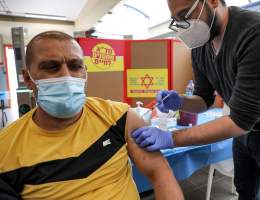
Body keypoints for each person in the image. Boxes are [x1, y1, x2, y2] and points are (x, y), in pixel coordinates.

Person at [133, 0, 260, 199]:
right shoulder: (201, 45)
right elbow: (204, 100)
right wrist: (181, 102)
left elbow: (241, 121)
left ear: (212, 1)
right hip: (245, 131)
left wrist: (172, 139)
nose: (184, 25)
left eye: (185, 14)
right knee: (245, 190)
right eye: (177, 20)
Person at [0, 31, 184, 200]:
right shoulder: (6, 150)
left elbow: (160, 172)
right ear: (27, 78)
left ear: (85, 72)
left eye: (75, 66)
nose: (67, 76)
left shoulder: (119, 117)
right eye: (51, 67)